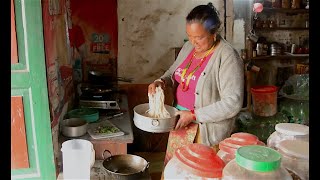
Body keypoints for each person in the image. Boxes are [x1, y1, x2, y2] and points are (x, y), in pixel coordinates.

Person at [148, 3, 244, 167]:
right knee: (175, 172)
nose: (193, 42)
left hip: (205, 132)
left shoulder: (227, 56)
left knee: (196, 173)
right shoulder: (188, 47)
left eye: (199, 37)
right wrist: (161, 81)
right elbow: (173, 73)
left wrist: (194, 115)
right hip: (180, 124)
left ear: (213, 33)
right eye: (190, 36)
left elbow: (233, 102)